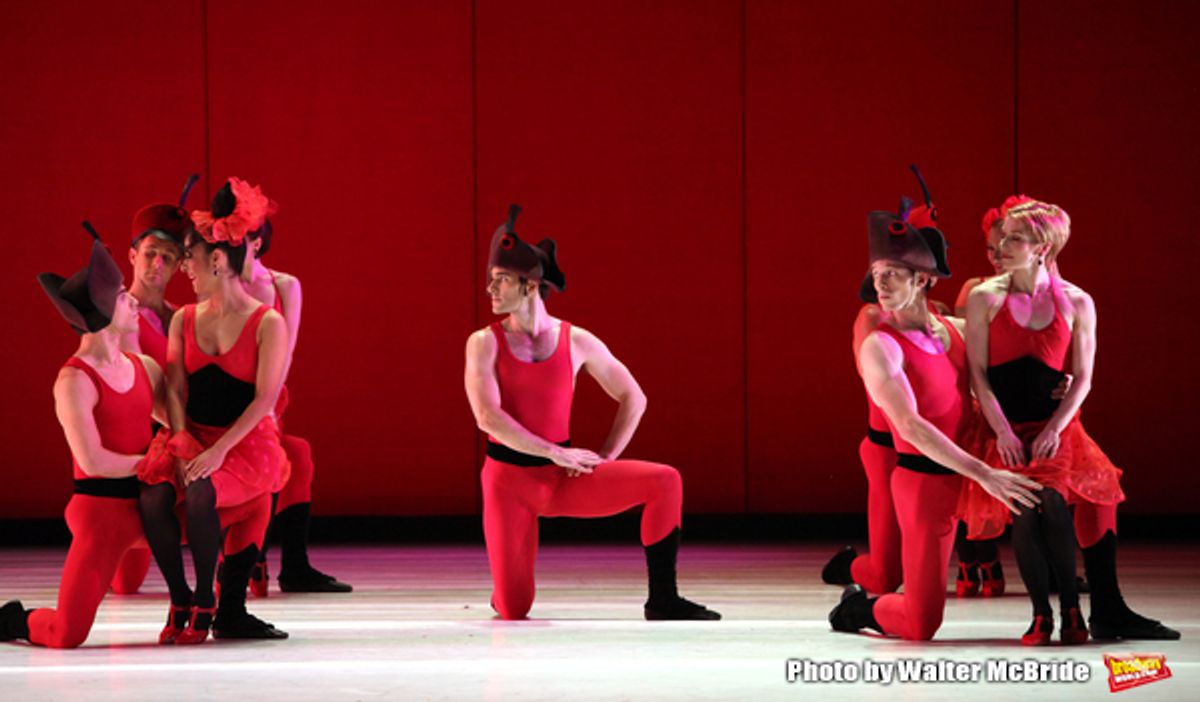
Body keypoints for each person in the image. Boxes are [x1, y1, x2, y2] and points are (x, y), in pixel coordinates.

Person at [464, 205, 720, 621]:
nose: (489, 290)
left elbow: (633, 397)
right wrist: (555, 451)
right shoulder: (483, 343)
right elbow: (487, 418)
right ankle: (504, 585)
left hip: (561, 478)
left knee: (665, 481)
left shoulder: (577, 340)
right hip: (509, 484)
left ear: (529, 286)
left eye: (500, 281)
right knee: (514, 608)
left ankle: (663, 598)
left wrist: (604, 458)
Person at [963, 199, 1177, 642]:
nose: (1002, 245)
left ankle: (1082, 611)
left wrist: (1056, 428)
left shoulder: (1077, 301)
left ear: (1042, 248)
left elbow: (1083, 378)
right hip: (1005, 428)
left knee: (1081, 499)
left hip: (1055, 428)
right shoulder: (985, 297)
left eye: (1014, 238)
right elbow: (977, 376)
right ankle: (1047, 615)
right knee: (1027, 507)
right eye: (1003, 237)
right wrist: (1002, 431)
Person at [828, 204, 1041, 641]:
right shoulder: (881, 346)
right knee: (922, 623)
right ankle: (856, 608)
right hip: (925, 482)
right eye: (877, 271)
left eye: (893, 273)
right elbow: (909, 426)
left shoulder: (958, 330)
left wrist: (1057, 383)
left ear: (923, 279)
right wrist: (984, 473)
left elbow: (1022, 350)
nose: (879, 283)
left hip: (967, 475)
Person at [137, 177, 289, 643]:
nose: (185, 268)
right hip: (193, 433)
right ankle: (180, 594)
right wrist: (182, 442)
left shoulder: (268, 323)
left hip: (241, 441)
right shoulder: (184, 318)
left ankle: (207, 596)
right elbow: (177, 391)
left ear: (219, 261)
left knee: (201, 489)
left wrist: (218, 452)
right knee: (153, 495)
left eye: (191, 258)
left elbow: (265, 400)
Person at [1, 225, 164, 647]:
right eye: (124, 295)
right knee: (66, 634)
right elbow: (93, 460)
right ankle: (14, 619)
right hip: (102, 511)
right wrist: (157, 462)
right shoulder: (74, 380)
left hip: (147, 503)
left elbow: (180, 423)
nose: (132, 299)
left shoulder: (143, 367)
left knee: (209, 515)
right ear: (106, 313)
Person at [239, 218, 350, 594]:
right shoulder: (220, 285)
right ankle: (249, 553)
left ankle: (294, 566)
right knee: (281, 459)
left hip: (269, 397)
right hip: (231, 402)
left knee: (297, 457)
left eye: (237, 238)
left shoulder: (285, 285)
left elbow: (287, 350)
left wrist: (267, 404)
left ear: (256, 242)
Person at [106, 176, 199, 595]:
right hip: (139, 448)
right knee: (126, 585)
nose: (157, 265)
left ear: (180, 264)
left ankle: (237, 570)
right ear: (131, 254)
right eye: (150, 254)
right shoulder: (116, 317)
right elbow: (132, 390)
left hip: (183, 435)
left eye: (168, 256)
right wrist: (182, 431)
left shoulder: (184, 315)